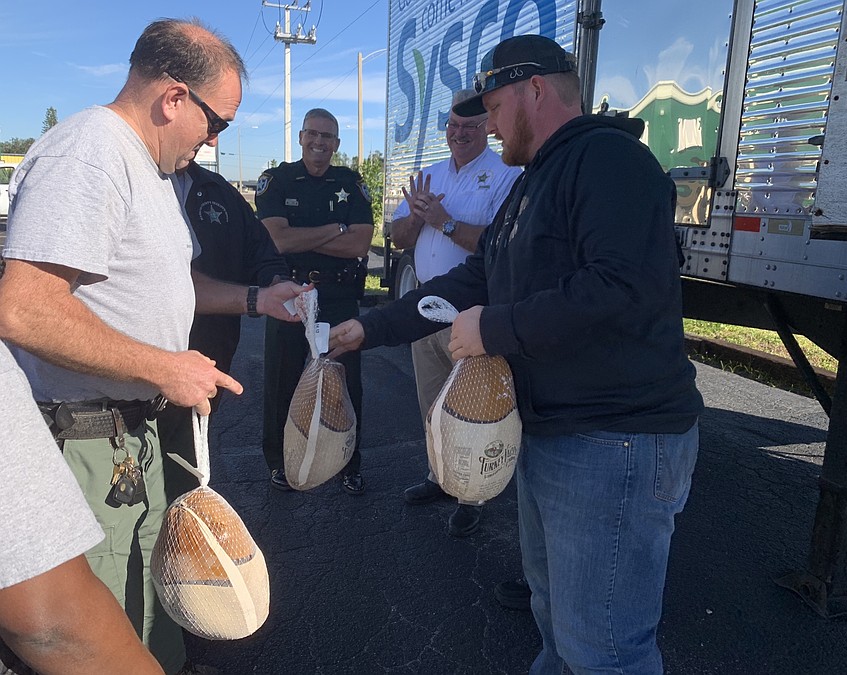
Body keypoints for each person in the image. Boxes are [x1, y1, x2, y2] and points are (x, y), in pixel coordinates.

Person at [329, 34, 703, 674]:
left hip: (615, 442)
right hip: (561, 436)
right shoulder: (537, 181)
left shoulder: (610, 162)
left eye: (495, 107)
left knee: (605, 651)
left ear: (535, 89)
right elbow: (473, 282)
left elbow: (620, 286)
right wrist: (374, 327)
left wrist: (496, 330)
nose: (490, 125)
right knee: (559, 629)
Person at [0, 19, 303, 675]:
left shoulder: (149, 168)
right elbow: (24, 308)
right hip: (88, 440)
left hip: (133, 434)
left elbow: (173, 282)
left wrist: (257, 300)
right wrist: (167, 365)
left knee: (151, 590)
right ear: (173, 97)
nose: (214, 139)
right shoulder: (88, 154)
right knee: (100, 614)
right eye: (215, 121)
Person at [390, 88, 521, 537]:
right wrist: (415, 220)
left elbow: (497, 247)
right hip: (427, 304)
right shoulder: (430, 173)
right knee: (432, 401)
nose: (458, 134)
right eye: (452, 126)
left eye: (469, 126)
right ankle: (439, 476)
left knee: (474, 408)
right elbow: (399, 238)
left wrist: (443, 220)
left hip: (471, 311)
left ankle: (473, 494)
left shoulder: (505, 175)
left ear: (487, 126)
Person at [0, 342, 163, 675]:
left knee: (141, 590)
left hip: (131, 426)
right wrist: (163, 368)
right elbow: (51, 624)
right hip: (90, 429)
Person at [158, 159, 295, 501]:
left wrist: (275, 281)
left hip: (207, 362)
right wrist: (257, 299)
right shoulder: (140, 180)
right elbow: (172, 284)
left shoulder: (218, 191)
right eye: (214, 122)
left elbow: (261, 251)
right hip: (144, 371)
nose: (213, 140)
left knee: (187, 475)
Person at [256, 108, 374, 495]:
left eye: (328, 137)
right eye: (313, 134)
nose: (319, 143)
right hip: (292, 296)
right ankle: (280, 462)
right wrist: (334, 229)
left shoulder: (350, 182)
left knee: (345, 383)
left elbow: (360, 244)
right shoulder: (277, 180)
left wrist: (304, 235)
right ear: (301, 136)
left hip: (340, 297)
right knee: (282, 380)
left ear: (337, 144)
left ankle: (348, 462)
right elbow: (278, 241)